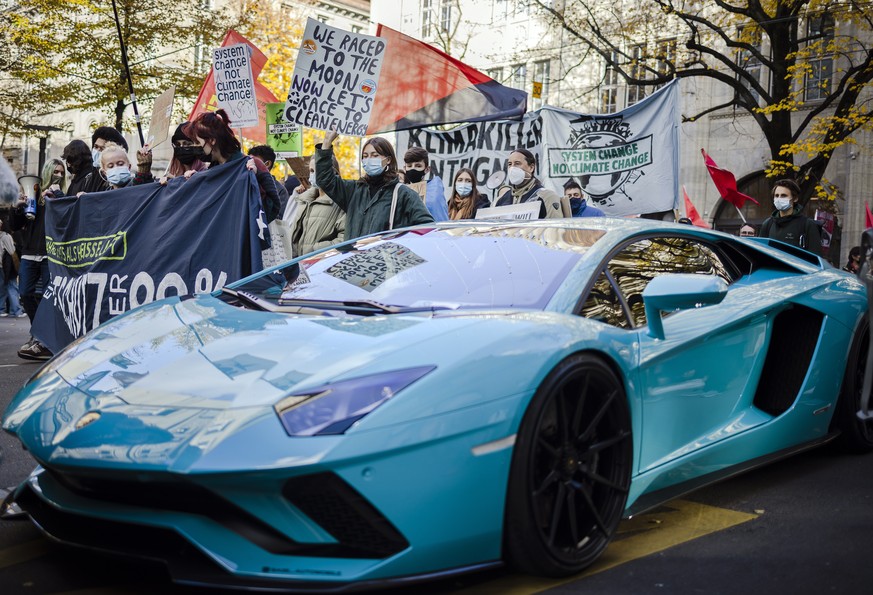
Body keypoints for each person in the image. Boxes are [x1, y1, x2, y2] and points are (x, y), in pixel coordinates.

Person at [316, 130, 434, 238]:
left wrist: (401, 246)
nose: (369, 159)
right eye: (365, 156)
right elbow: (325, 180)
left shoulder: (404, 194)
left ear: (388, 160)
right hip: (354, 254)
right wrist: (326, 144)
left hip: (386, 255)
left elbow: (427, 228)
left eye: (375, 155)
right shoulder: (353, 190)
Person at [183, 109, 280, 224]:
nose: (194, 147)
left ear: (212, 140)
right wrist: (196, 181)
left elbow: (273, 209)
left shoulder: (254, 164)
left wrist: (253, 184)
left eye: (197, 142)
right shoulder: (211, 171)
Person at [10, 159, 58, 360]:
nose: (58, 175)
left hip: (50, 254)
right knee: (25, 293)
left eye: (61, 172)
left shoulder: (62, 196)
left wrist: (58, 198)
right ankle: (37, 331)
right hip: (30, 253)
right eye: (55, 172)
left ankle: (42, 338)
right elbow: (14, 225)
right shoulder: (33, 196)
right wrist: (17, 208)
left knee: (48, 297)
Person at [288, 154, 346, 256]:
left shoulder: (341, 201)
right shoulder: (305, 200)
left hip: (321, 262)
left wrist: (315, 249)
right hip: (299, 263)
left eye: (318, 170)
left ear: (332, 172)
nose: (313, 175)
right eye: (311, 171)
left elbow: (345, 239)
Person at [759, 179, 822, 255]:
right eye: (776, 195)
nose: (779, 199)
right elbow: (760, 252)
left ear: (795, 198)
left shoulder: (807, 225)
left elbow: (815, 256)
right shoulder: (768, 224)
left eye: (784, 195)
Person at [495, 148, 563, 218]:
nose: (512, 168)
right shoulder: (500, 200)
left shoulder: (547, 197)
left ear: (531, 168)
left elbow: (555, 225)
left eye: (517, 163)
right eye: (510, 164)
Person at [134, 121, 209, 185]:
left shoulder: (207, 176)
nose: (181, 147)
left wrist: (178, 183)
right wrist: (144, 169)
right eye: (177, 144)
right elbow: (142, 191)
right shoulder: (168, 178)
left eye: (187, 144)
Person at [403, 146, 449, 222]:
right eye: (409, 166)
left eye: (418, 166)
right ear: (405, 169)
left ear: (427, 169)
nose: (413, 169)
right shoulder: (401, 192)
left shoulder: (434, 192)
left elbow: (439, 215)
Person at [249, 145, 291, 215]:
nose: (250, 164)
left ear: (267, 164)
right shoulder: (245, 183)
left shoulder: (280, 190)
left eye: (255, 162)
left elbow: (279, 217)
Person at [0, 217, 25, 318]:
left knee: (2, 288)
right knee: (12, 286)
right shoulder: (6, 236)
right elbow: (12, 252)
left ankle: (1, 309)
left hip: (1, 266)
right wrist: (18, 267)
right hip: (7, 267)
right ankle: (17, 310)